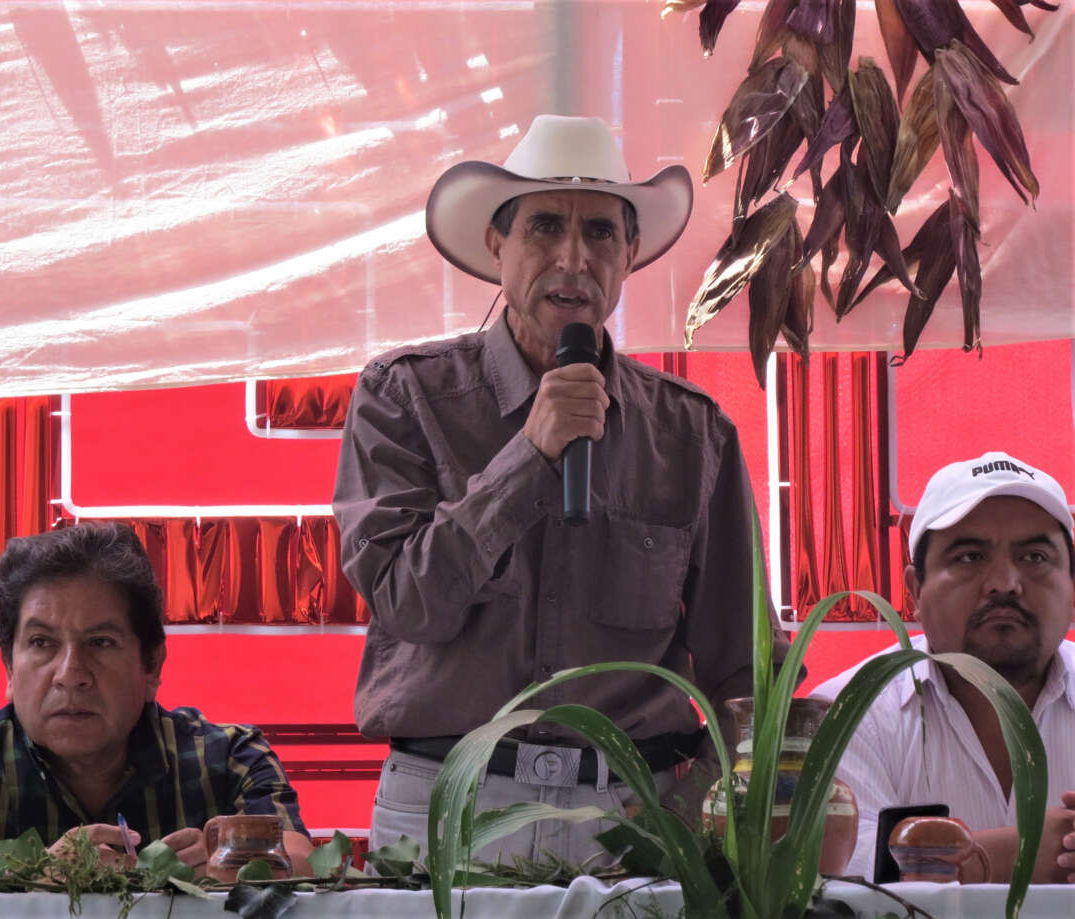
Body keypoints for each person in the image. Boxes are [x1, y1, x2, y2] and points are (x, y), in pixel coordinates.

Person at [333, 114, 788, 863]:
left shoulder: (690, 432)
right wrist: (529, 455)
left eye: (602, 234)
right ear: (496, 246)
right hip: (446, 804)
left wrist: (697, 799)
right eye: (545, 227)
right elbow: (404, 598)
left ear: (631, 253)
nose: (574, 259)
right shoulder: (405, 396)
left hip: (632, 814)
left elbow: (745, 666)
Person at [0, 522, 314, 877]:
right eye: (43, 642)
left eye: (101, 643)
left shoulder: (230, 757)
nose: (70, 675)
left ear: (152, 666)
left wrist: (223, 862)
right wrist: (34, 867)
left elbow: (301, 857)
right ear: (9, 666)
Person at [812, 451, 1075, 883]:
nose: (1005, 583)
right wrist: (1024, 852)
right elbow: (843, 880)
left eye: (1035, 557)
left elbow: (888, 872)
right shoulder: (846, 715)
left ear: (1071, 586)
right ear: (915, 590)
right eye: (970, 557)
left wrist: (952, 862)